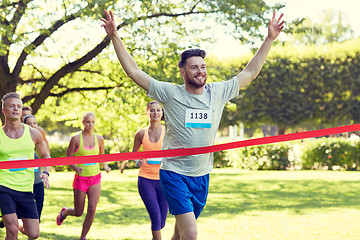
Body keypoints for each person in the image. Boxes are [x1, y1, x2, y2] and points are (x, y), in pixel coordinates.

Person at [101, 10, 284, 240]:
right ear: (183, 71)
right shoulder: (170, 93)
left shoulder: (218, 92)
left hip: (202, 175)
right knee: (191, 234)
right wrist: (115, 37)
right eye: (195, 67)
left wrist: (269, 39)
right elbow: (134, 72)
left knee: (179, 235)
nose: (201, 71)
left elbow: (250, 72)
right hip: (174, 174)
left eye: (203, 66)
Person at [0, 92, 51, 240]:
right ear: (4, 110)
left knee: (33, 234)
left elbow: (45, 155)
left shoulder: (34, 134)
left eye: (19, 107)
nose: (16, 109)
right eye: (12, 106)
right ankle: (11, 221)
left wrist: (46, 173)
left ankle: (13, 220)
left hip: (26, 188)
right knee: (12, 231)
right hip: (4, 186)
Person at [56, 112, 111, 240]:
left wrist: (106, 166)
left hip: (95, 178)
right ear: (83, 122)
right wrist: (75, 168)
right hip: (81, 179)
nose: (90, 124)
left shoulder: (99, 139)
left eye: (92, 122)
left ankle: (83, 236)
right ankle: (65, 212)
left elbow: (102, 157)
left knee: (92, 209)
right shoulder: (76, 139)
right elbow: (68, 158)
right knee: (79, 212)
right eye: (87, 122)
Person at [132, 101, 168, 240]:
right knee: (155, 217)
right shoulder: (141, 133)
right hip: (145, 179)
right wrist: (137, 161)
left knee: (162, 222)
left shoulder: (168, 131)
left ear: (162, 113)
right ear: (147, 113)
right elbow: (134, 154)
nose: (155, 113)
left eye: (158, 110)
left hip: (164, 180)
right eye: (152, 110)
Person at [23, 114, 51, 221]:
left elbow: (47, 158)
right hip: (23, 184)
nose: (32, 126)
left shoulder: (41, 142)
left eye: (34, 123)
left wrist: (46, 173)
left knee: (36, 217)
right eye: (29, 124)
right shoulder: (20, 141)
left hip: (37, 182)